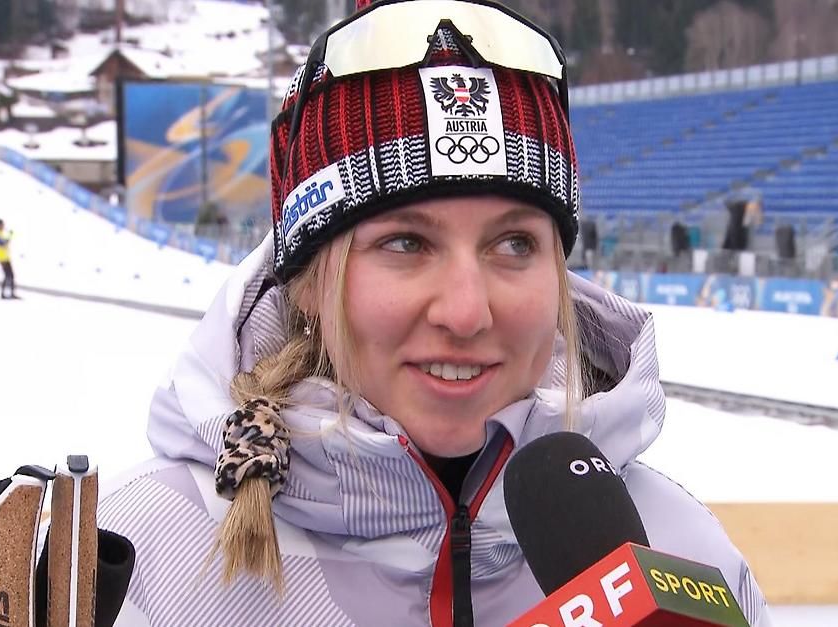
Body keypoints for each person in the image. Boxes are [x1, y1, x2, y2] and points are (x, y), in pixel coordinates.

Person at [97, 2, 773, 626]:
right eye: (405, 243)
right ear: (307, 283)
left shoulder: (682, 554)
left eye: (514, 244)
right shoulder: (140, 557)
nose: (466, 310)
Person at [0, 218, 18, 299]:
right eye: (1, 225)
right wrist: (9, 236)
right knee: (7, 276)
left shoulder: (1, 234)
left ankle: (11, 293)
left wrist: (9, 236)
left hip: (6, 258)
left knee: (11, 275)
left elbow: (5, 242)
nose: (3, 226)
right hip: (2, 259)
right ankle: (3, 294)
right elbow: (2, 243)